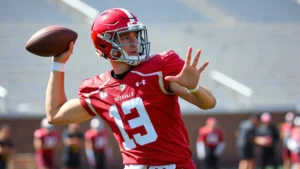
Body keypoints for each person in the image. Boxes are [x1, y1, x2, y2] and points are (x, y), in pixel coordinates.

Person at [45, 8, 216, 169]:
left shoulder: (159, 67)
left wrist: (194, 88)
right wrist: (58, 64)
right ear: (104, 44)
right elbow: (55, 114)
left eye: (136, 35)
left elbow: (209, 103)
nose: (135, 42)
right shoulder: (98, 89)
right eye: (126, 37)